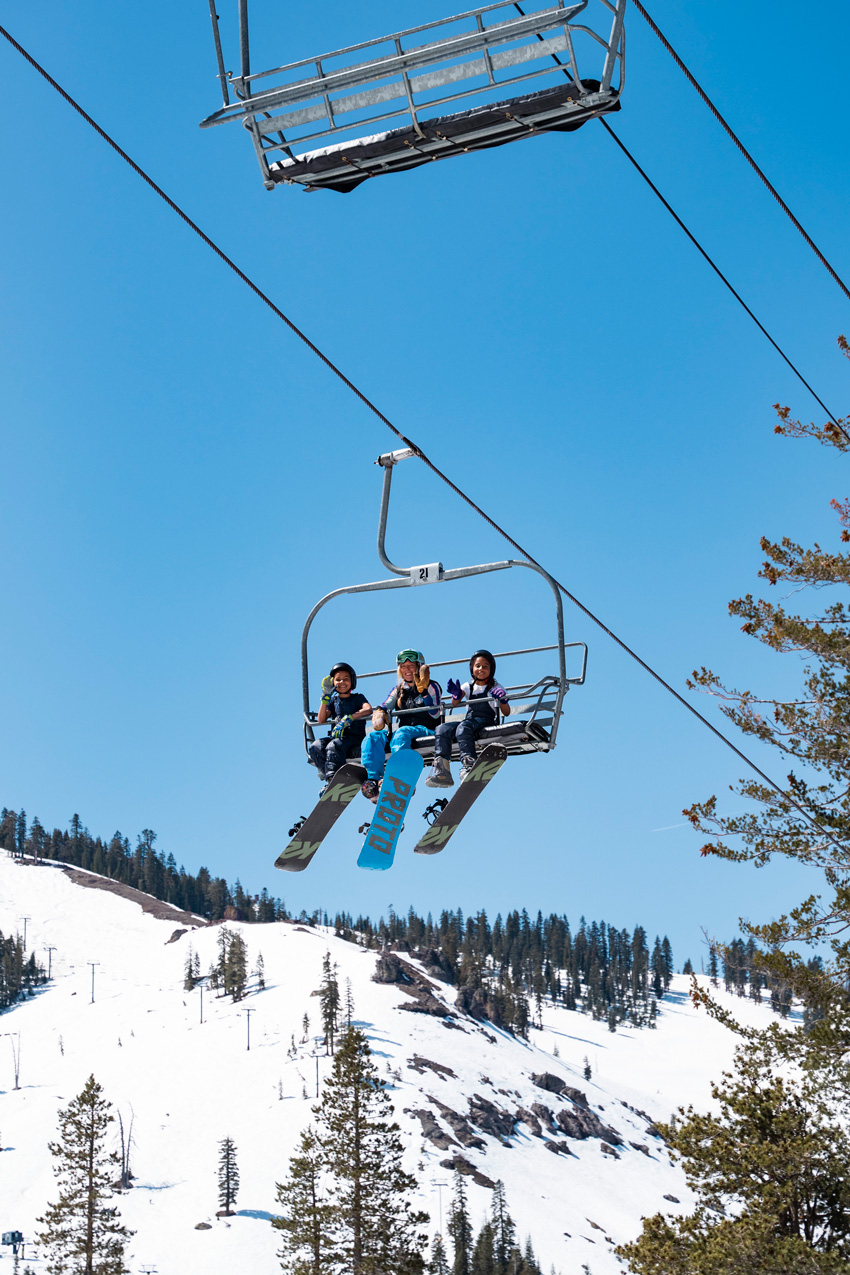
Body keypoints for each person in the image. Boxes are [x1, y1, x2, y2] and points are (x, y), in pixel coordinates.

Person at [360, 648, 442, 802]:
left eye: (411, 666)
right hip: (404, 732)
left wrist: (423, 693)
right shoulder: (399, 689)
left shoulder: (431, 686)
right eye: (403, 667)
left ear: (419, 667)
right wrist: (380, 712)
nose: (407, 670)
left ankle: (401, 776)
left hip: (427, 729)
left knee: (401, 733)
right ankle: (374, 780)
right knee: (372, 737)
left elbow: (436, 713)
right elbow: (387, 704)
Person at [425, 648, 510, 787]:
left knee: (463, 728)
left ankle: (469, 764)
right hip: (470, 720)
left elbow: (506, 712)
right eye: (477, 666)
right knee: (442, 729)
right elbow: (454, 703)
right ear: (472, 668)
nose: (481, 669)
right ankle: (442, 769)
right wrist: (456, 694)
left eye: (485, 666)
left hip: (486, 720)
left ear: (491, 670)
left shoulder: (495, 686)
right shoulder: (469, 685)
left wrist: (503, 700)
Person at [308, 662, 372, 790]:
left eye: (346, 679)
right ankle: (331, 778)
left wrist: (350, 717)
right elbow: (321, 719)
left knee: (334, 745)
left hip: (354, 737)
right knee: (315, 746)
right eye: (338, 679)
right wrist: (325, 699)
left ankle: (334, 780)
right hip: (338, 737)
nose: (342, 682)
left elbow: (368, 709)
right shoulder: (334, 701)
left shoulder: (357, 698)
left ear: (352, 681)